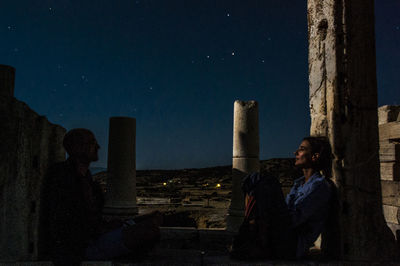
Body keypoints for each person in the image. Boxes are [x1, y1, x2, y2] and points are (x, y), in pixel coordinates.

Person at [40, 128, 162, 266]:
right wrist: (100, 230)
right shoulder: (62, 176)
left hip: (94, 236)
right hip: (81, 246)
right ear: (77, 147)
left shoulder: (86, 178)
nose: (98, 147)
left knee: (152, 219)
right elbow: (65, 220)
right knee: (149, 230)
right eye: (92, 143)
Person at [230, 136, 332, 260]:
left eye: (302, 149)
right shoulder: (299, 183)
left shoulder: (320, 186)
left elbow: (293, 221)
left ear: (314, 156)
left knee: (267, 181)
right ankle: (252, 237)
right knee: (254, 179)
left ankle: (253, 240)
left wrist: (267, 213)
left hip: (291, 244)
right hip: (280, 234)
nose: (296, 153)